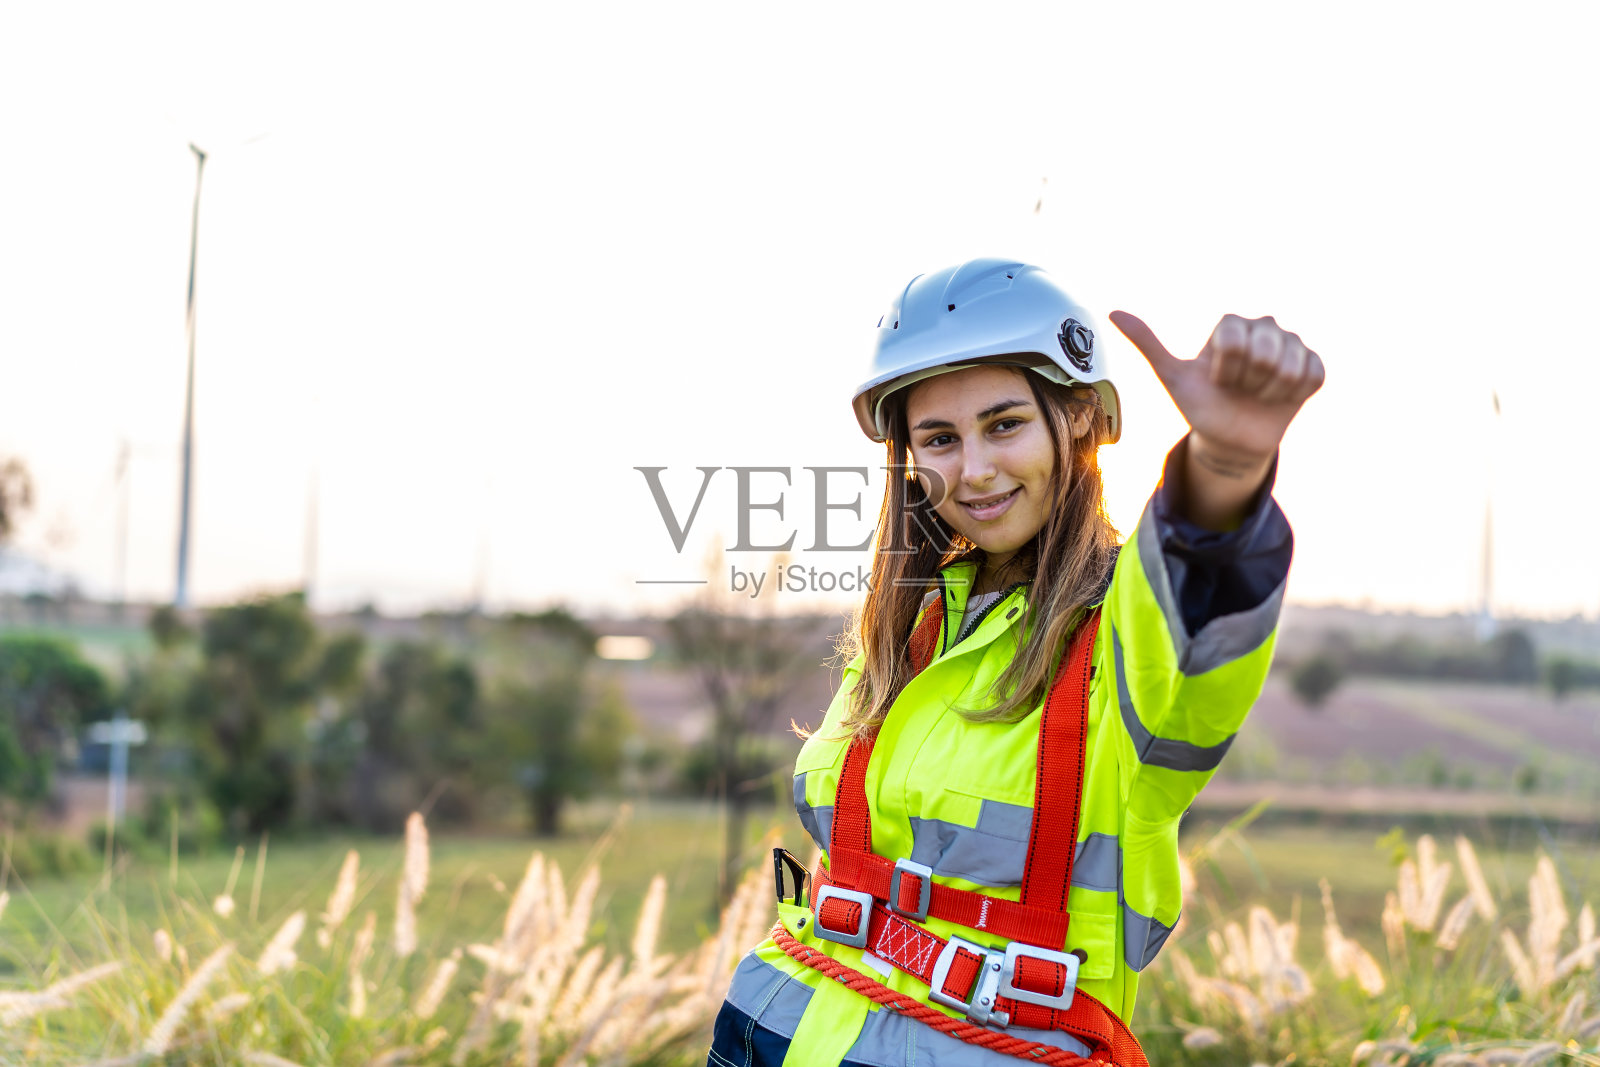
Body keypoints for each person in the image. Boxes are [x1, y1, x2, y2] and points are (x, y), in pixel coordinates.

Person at [706, 258, 1324, 1067]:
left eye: (1004, 424)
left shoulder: (1119, 641)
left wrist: (1226, 469)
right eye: (939, 438)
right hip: (768, 1031)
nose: (975, 469)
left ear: (1074, 422)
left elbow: (1199, 594)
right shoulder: (919, 623)